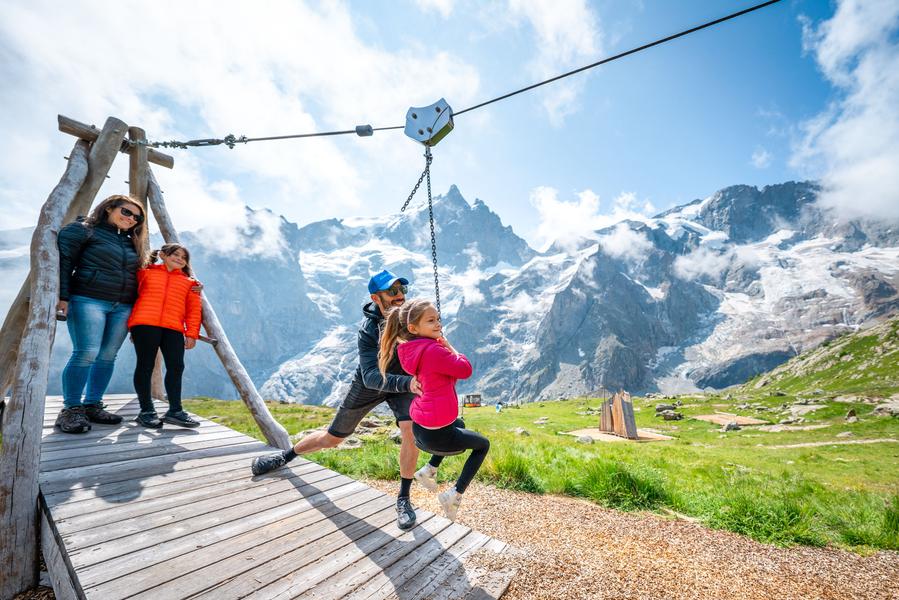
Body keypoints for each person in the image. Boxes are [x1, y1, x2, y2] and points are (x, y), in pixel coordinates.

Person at [251, 269, 424, 530]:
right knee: (332, 439)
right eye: (392, 291)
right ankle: (285, 456)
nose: (400, 295)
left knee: (410, 432)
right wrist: (407, 382)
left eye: (402, 290)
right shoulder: (368, 331)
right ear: (376, 298)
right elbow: (370, 377)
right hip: (371, 385)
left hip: (403, 383)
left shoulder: (411, 317)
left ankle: (403, 498)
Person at [383, 299, 489, 521]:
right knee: (482, 445)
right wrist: (449, 346)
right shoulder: (434, 351)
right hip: (437, 436)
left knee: (459, 424)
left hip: (420, 429)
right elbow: (465, 369)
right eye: (431, 320)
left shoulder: (411, 350)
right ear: (413, 328)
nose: (438, 324)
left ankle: (429, 470)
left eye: (438, 319)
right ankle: (454, 495)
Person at [55, 194, 148, 434]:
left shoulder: (132, 241)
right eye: (126, 212)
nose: (131, 219)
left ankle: (92, 404)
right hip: (88, 299)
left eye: (137, 217)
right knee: (86, 352)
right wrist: (63, 296)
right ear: (109, 208)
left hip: (123, 305)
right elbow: (64, 262)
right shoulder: (83, 230)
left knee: (107, 356)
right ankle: (71, 409)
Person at [128, 243, 203, 428]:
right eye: (175, 254)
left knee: (176, 366)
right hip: (144, 324)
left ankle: (175, 411)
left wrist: (192, 334)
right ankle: (146, 411)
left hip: (173, 328)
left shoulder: (190, 283)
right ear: (162, 255)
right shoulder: (144, 273)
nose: (180, 259)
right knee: (145, 365)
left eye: (184, 258)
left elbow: (194, 310)